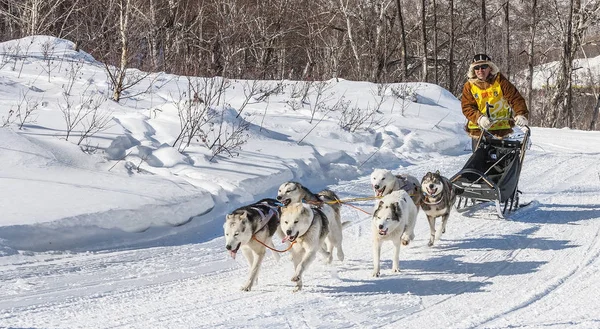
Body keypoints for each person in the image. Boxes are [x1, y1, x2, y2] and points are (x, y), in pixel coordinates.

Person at [461, 54, 529, 151]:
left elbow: (515, 98)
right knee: (480, 163)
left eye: (484, 67)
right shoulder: (469, 86)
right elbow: (467, 107)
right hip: (479, 130)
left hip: (500, 129)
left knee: (502, 162)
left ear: (490, 68)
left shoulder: (500, 81)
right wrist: (479, 119)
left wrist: (521, 114)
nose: (480, 70)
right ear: (473, 70)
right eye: (477, 67)